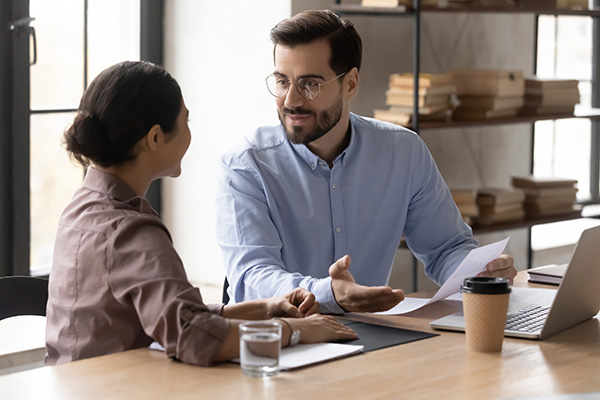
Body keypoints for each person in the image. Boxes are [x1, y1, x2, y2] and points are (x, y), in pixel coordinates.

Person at [45, 61, 356, 367]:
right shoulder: (131, 231)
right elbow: (193, 336)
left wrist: (265, 307)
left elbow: (177, 315)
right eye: (186, 123)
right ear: (155, 138)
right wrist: (295, 330)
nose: (189, 134)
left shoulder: (82, 208)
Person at [215, 10, 516, 315]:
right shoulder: (245, 165)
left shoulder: (403, 151)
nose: (291, 100)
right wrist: (328, 293)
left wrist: (479, 273)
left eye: (310, 84)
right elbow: (252, 278)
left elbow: (446, 248)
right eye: (282, 82)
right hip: (278, 342)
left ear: (350, 84)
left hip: (368, 338)